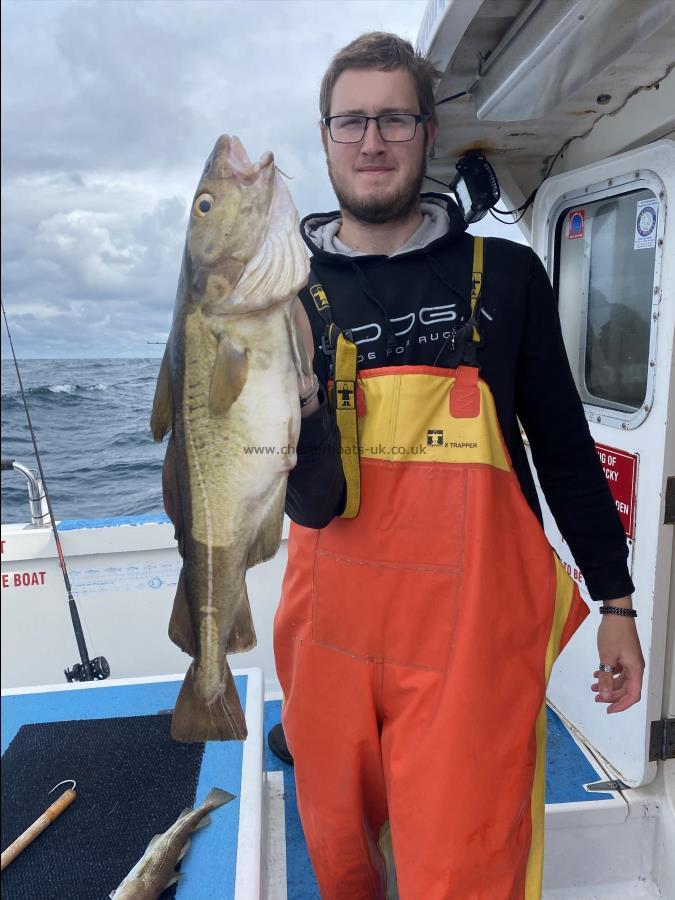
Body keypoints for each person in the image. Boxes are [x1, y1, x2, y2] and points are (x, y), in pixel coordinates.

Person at [272, 32, 645, 900]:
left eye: (394, 118)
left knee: (467, 870)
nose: (373, 141)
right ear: (325, 137)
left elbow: (560, 448)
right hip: (327, 634)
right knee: (337, 854)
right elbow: (258, 477)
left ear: (427, 133)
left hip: (471, 641)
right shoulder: (280, 295)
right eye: (352, 121)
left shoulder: (506, 274)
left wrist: (615, 603)